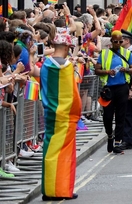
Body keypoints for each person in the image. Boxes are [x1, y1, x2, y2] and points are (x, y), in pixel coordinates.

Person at [38, 30, 81, 201]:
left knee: (49, 151)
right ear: (66, 46)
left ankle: (48, 189)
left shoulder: (46, 65)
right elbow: (73, 95)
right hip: (66, 117)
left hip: (50, 114)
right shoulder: (68, 66)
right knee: (65, 154)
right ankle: (62, 189)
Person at [95, 30, 132, 154]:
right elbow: (97, 70)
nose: (118, 43)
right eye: (115, 41)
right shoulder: (104, 53)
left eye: (120, 41)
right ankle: (110, 136)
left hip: (122, 87)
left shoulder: (127, 53)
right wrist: (107, 72)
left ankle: (118, 143)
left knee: (120, 116)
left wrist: (127, 69)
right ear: (111, 41)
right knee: (107, 116)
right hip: (108, 89)